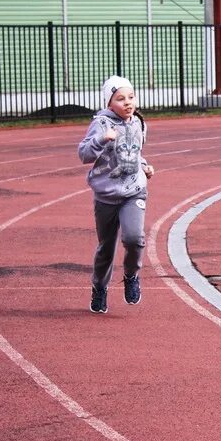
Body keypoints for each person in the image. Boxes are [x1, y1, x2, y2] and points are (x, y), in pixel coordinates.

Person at [78, 75, 154, 314]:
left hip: (134, 192)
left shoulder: (138, 122)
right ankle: (99, 287)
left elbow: (133, 153)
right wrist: (103, 138)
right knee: (106, 248)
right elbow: (84, 154)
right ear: (109, 102)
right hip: (106, 196)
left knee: (134, 239)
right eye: (120, 99)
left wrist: (144, 166)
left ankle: (131, 275)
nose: (127, 102)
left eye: (131, 97)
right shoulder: (101, 124)